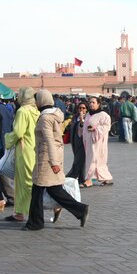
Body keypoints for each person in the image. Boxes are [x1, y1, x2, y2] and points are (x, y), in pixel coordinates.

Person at [22, 89, 89, 231]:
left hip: (46, 158)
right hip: (54, 155)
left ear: (41, 101)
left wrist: (53, 163)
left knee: (38, 190)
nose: (35, 103)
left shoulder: (46, 118)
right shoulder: (55, 114)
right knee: (54, 189)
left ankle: (35, 223)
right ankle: (80, 210)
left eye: (37, 100)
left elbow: (49, 140)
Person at [4, 87, 40, 222]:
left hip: (24, 150)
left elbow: (18, 132)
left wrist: (7, 138)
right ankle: (19, 212)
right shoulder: (35, 111)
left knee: (25, 182)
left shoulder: (22, 111)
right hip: (33, 149)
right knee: (24, 181)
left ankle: (42, 207)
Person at [81, 96, 113, 188]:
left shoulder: (103, 115)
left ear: (98, 104)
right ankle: (106, 178)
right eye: (90, 102)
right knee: (94, 160)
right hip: (89, 141)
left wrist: (95, 129)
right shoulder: (88, 114)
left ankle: (89, 179)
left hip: (98, 142)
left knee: (94, 159)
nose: (91, 104)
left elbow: (107, 127)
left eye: (93, 102)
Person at [66, 101, 89, 186]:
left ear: (86, 109)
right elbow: (71, 127)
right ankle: (80, 178)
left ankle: (74, 176)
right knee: (78, 159)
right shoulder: (74, 117)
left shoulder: (88, 117)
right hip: (75, 140)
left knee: (80, 160)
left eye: (83, 108)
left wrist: (82, 120)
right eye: (80, 108)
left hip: (84, 141)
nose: (81, 110)